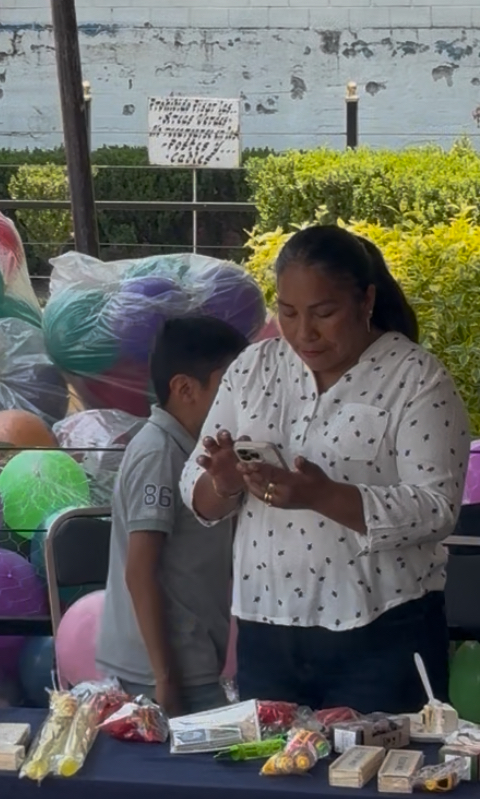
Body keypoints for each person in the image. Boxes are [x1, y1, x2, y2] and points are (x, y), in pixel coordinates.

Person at [182, 225, 471, 713]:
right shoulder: (252, 369)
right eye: (289, 313)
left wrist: (322, 495)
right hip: (265, 626)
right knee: (275, 778)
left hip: (382, 634)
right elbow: (197, 488)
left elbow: (436, 508)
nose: (303, 333)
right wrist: (223, 482)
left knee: (378, 778)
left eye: (324, 313)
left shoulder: (417, 379)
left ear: (366, 301)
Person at [96, 316, 249, 717]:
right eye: (228, 387)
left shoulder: (193, 450)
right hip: (162, 671)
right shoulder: (159, 452)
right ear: (184, 388)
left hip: (187, 661)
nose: (241, 400)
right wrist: (165, 678)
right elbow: (140, 570)